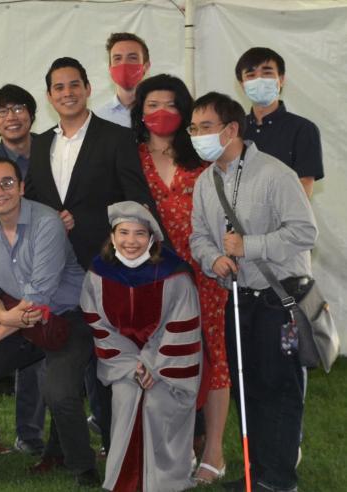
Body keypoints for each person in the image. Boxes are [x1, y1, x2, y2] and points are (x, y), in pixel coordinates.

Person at [25, 55, 158, 460]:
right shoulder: (41, 142)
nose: (67, 93)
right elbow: (34, 199)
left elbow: (136, 200)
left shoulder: (115, 138)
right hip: (55, 270)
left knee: (109, 356)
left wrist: (82, 219)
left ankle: (117, 444)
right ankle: (61, 447)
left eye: (74, 85)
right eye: (58, 87)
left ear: (87, 88)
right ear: (49, 96)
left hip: (105, 265)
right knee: (60, 354)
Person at [0, 159, 99, 487]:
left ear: (22, 187)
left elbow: (39, 295)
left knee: (58, 390)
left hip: (68, 317)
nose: (0, 191)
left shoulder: (47, 223)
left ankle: (83, 467)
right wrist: (2, 317)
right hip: (18, 318)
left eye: (7, 183)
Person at [190, 92, 318, 492]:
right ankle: (256, 476)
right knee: (250, 390)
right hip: (239, 300)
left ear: (231, 130)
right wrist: (213, 259)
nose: (197, 136)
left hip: (280, 302)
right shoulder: (204, 181)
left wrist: (250, 246)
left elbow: (304, 232)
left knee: (279, 390)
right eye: (193, 129)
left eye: (205, 128)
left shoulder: (274, 174)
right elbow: (197, 236)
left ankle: (279, 481)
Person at [130, 73, 230, 483]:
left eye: (171, 105)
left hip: (206, 271)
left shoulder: (202, 157)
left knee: (215, 357)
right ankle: (176, 445)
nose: (161, 113)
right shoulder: (130, 157)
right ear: (140, 112)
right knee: (166, 362)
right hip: (156, 278)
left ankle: (214, 450)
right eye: (152, 105)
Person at [81, 201, 201, 492]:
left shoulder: (174, 274)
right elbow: (100, 327)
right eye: (123, 233)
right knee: (127, 395)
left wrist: (151, 364)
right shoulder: (98, 274)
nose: (130, 241)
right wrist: (131, 365)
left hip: (167, 365)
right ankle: (124, 480)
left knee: (157, 402)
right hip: (123, 364)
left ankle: (165, 481)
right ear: (112, 236)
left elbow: (180, 327)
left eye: (139, 234)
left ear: (151, 238)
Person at [0, 83, 45, 456]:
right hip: (13, 269)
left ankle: (92, 424)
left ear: (32, 113)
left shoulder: (55, 150)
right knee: (29, 349)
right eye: (2, 111)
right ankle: (30, 434)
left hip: (60, 262)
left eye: (18, 108)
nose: (11, 116)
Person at [235, 47, 324, 198]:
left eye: (267, 73)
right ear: (242, 85)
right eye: (251, 75)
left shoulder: (303, 129)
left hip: (284, 219)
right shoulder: (233, 129)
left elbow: (303, 189)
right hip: (235, 219)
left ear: (281, 79)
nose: (259, 80)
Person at [94, 32, 151, 128]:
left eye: (132, 58)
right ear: (109, 68)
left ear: (146, 66)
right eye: (117, 58)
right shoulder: (98, 118)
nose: (124, 64)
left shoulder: (157, 114)